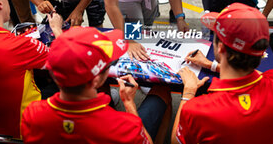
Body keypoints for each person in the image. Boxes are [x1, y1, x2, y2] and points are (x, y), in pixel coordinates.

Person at [21, 27, 171, 143]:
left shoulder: (32, 114)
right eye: (108, 65)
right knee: (162, 90)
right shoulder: (125, 126)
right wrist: (129, 104)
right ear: (96, 80)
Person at [171, 3, 273, 144]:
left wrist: (188, 93)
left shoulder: (199, 111)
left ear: (220, 48)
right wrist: (210, 65)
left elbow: (176, 140)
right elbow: (261, 75)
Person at [0, 0, 62, 138]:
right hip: (26, 131)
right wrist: (57, 28)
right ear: (0, 2)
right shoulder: (19, 46)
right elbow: (69, 59)